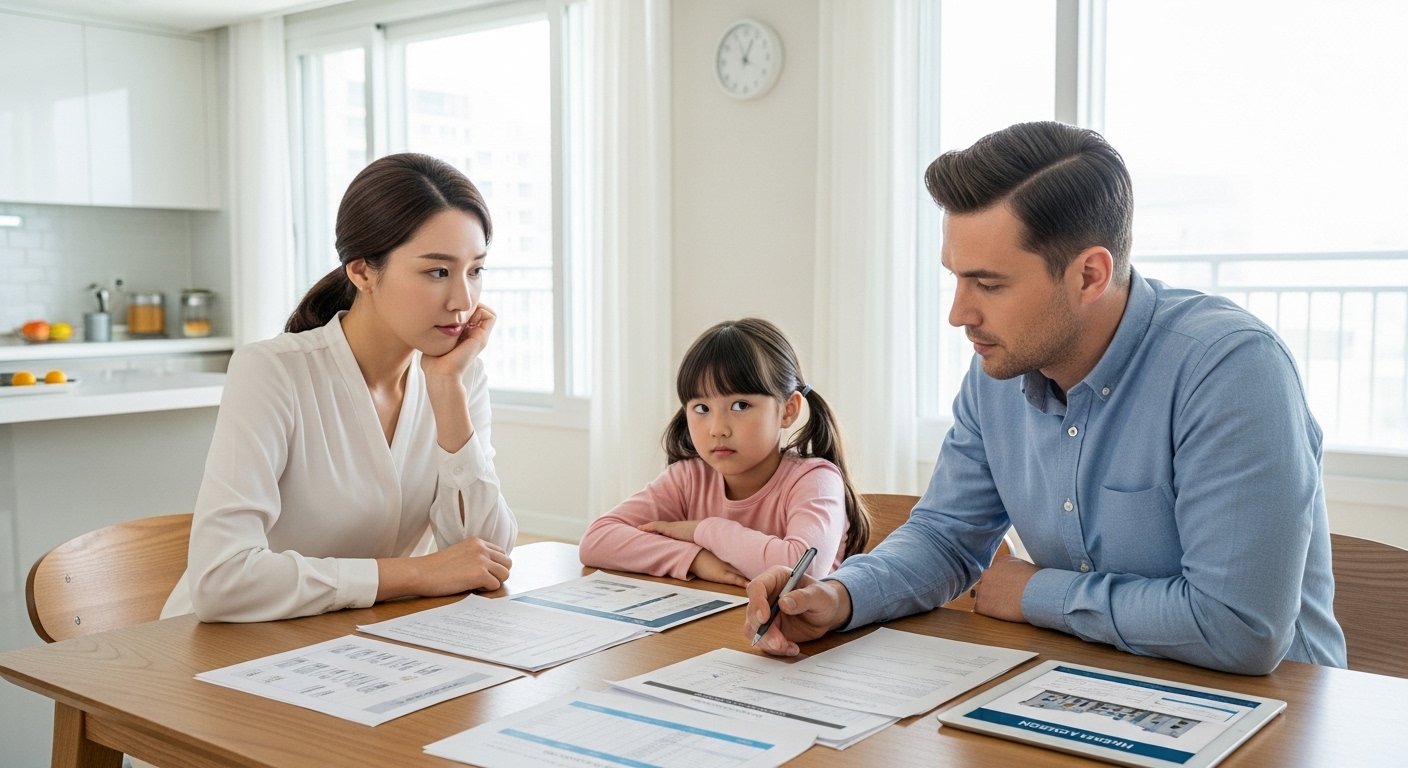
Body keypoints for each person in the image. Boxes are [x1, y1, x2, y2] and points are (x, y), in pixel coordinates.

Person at [744, 121, 1346, 675]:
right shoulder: (997, 370)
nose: (958, 313)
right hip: (1088, 684)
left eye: (988, 284)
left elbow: (1239, 628)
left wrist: (1034, 592)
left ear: (1089, 275)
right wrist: (839, 596)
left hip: (1273, 713)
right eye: (956, 277)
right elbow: (946, 537)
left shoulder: (1231, 370)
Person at [162, 153, 518, 623]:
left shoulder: (458, 374)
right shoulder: (272, 371)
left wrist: (449, 390)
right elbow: (222, 580)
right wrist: (417, 574)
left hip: (354, 644)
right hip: (225, 645)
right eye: (438, 272)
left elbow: (486, 556)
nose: (463, 301)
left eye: (475, 270)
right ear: (363, 272)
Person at [580, 318, 869, 587]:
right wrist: (696, 558)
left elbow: (802, 570)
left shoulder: (815, 480)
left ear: (787, 410)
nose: (718, 429)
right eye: (702, 408)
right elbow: (597, 540)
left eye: (740, 405)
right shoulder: (689, 477)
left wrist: (704, 531)